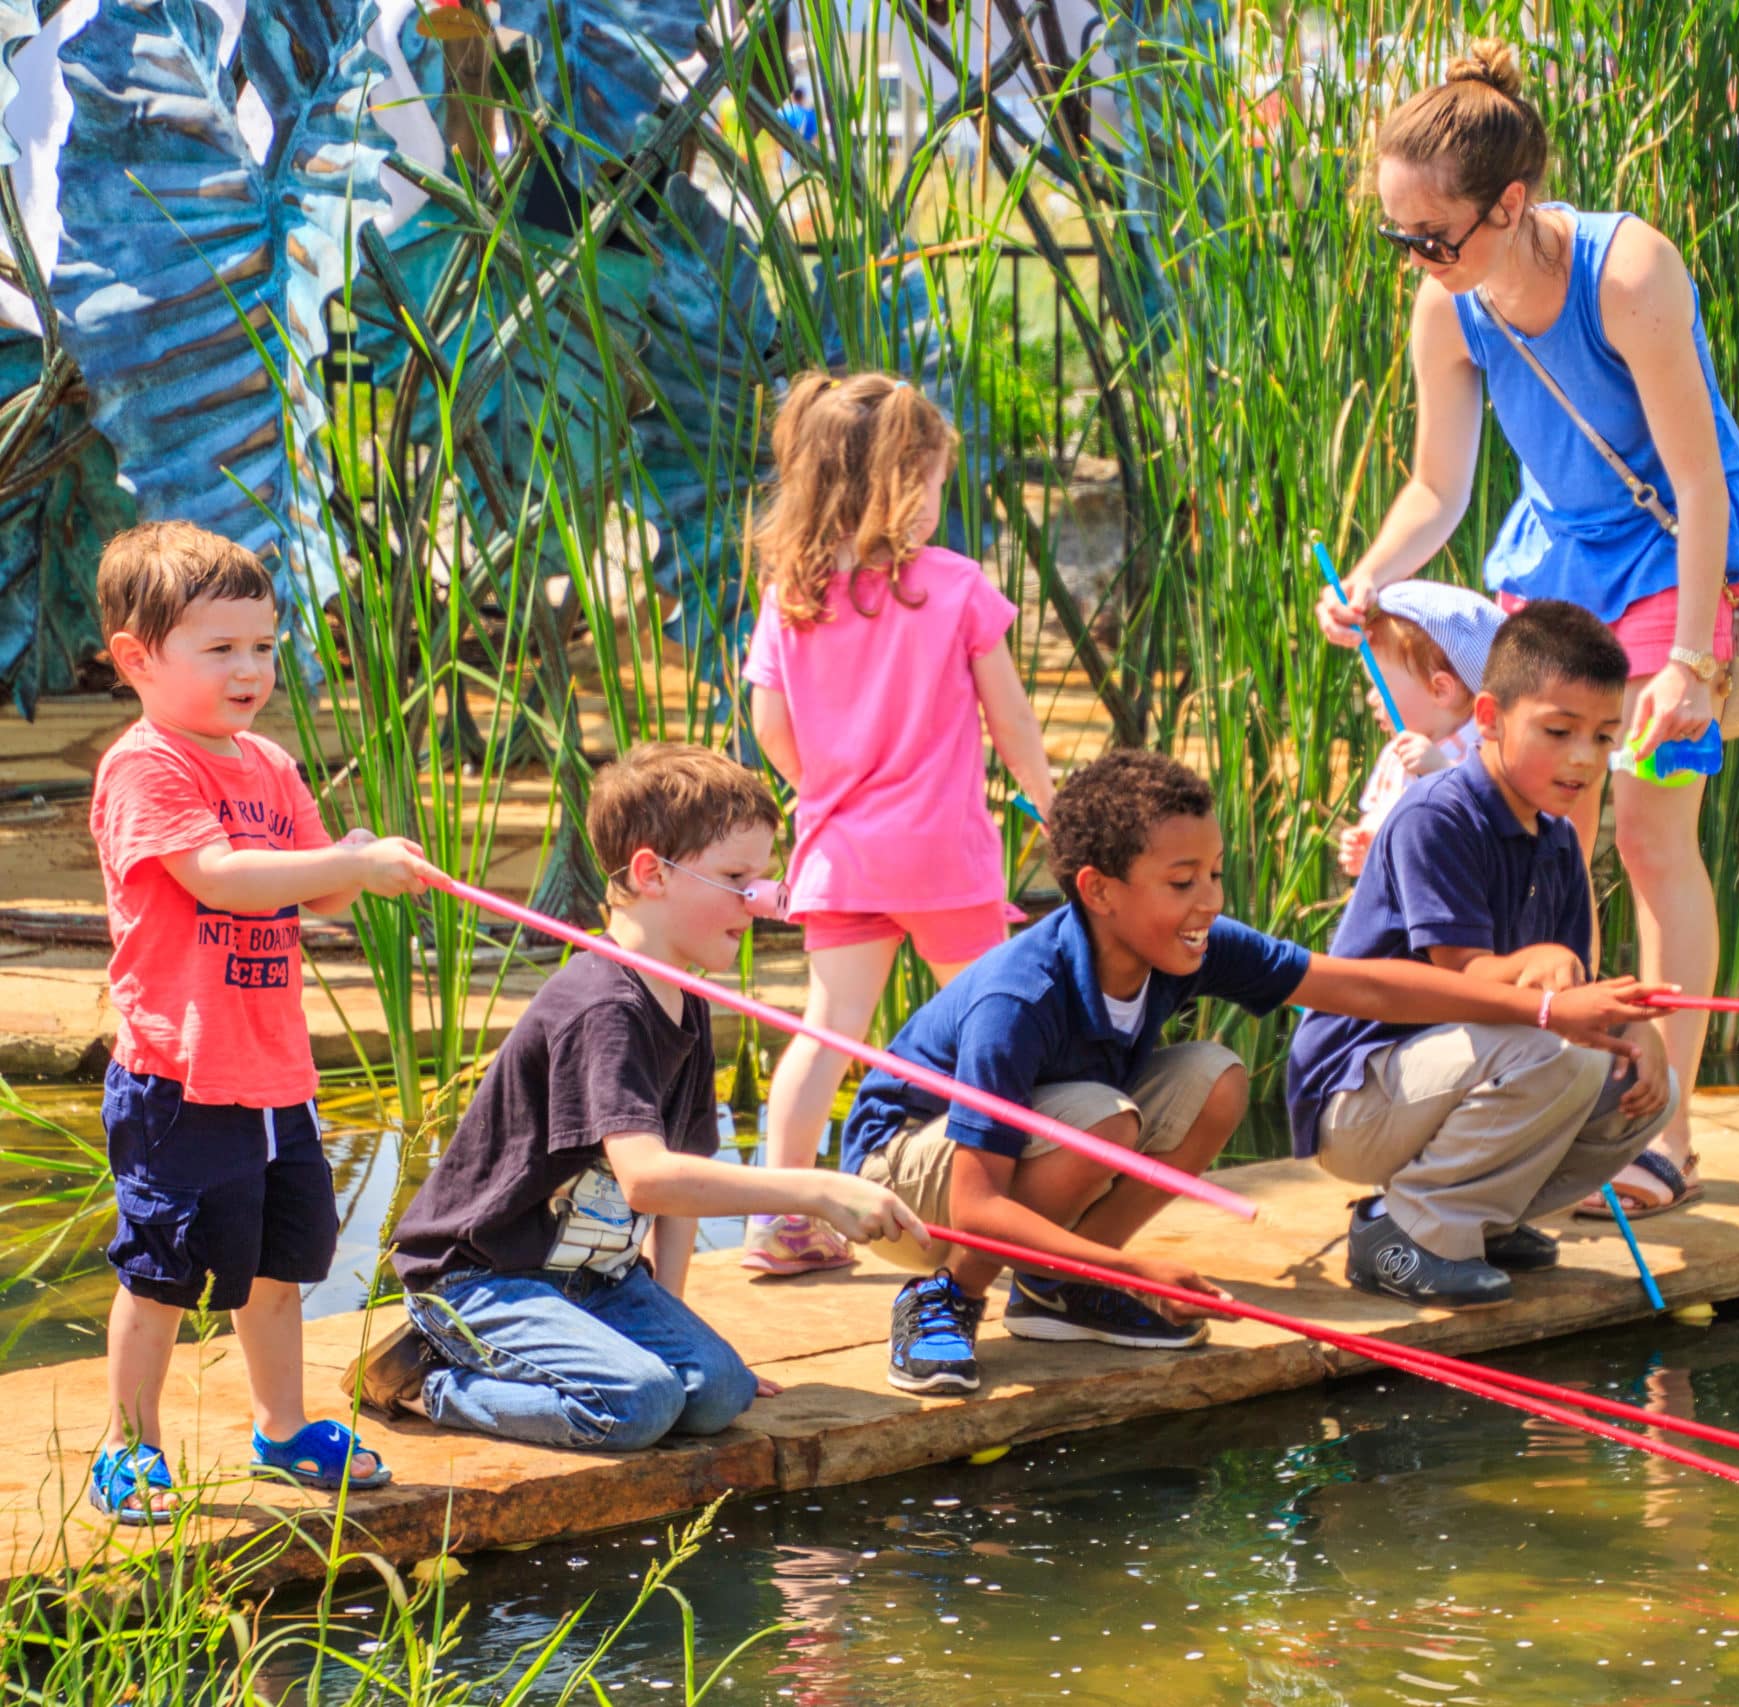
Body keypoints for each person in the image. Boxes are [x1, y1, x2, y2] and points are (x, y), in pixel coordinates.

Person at [1316, 38, 1739, 1221]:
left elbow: (1699, 481)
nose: (1419, 261)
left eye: (1435, 237)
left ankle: (1666, 1128)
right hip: (1556, 557)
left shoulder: (1626, 272)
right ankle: (1570, 1105)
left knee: (1650, 831)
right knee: (1546, 833)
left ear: (1510, 203)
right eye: (1400, 240)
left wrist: (1692, 659)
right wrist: (1368, 577)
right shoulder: (1448, 304)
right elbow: (1438, 487)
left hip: (1673, 548)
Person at [837, 747, 1666, 1394]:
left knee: (1215, 1076)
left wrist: (1546, 1010)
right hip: (900, 1177)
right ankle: (947, 1298)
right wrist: (1135, 1270)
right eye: (1181, 881)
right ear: (1099, 890)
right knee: (1101, 1118)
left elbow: (1361, 984)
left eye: (1214, 873)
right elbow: (977, 1204)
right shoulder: (1019, 999)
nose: (1209, 900)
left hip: (1020, 1152)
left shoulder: (1191, 943)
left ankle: (1060, 1286)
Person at [349, 745, 924, 1451]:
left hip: (598, 1280)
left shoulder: (687, 999)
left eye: (761, 878)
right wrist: (814, 1190)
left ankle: (613, 1362)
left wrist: (677, 1332)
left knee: (717, 1392)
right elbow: (647, 1178)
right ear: (652, 873)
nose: (761, 900)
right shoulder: (604, 1008)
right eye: (736, 878)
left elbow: (679, 1190)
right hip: (483, 1279)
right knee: (638, 1401)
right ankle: (429, 1380)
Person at [85, 521, 434, 1524]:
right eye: (221, 648)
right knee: (161, 1274)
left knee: (282, 1266)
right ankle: (128, 1445)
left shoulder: (270, 765)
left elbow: (317, 892)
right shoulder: (148, 768)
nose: (250, 669)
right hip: (180, 1078)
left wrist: (356, 862)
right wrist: (344, 864)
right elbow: (221, 877)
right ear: (137, 659)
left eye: (264, 646)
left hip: (277, 1075)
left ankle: (281, 1430)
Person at [741, 371, 1055, 1276]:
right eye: (936, 482)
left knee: (827, 1030)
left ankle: (780, 1217)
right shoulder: (955, 586)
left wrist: (822, 788)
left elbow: (768, 723)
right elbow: (1011, 719)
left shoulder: (792, 593)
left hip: (841, 850)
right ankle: (1016, 1202)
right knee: (999, 1022)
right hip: (944, 854)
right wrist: (1048, 801)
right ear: (903, 482)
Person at [1289, 602, 1672, 1307]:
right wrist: (1546, 966)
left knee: (1645, 1082)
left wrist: (1630, 1025)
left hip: (1455, 1074)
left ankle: (1486, 1217)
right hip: (1358, 1097)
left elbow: (1568, 993)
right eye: (1558, 731)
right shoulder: (1436, 815)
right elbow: (1464, 975)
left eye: (1603, 736)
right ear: (1490, 716)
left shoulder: (1558, 840)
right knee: (1556, 1052)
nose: (1585, 757)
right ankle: (1403, 1229)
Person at [1335, 579, 1504, 880]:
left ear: (1440, 689)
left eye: (1381, 686)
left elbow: (1496, 823)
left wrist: (1442, 771)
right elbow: (1382, 814)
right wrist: (1367, 839)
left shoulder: (1488, 749)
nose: (1371, 698)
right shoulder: (1395, 755)